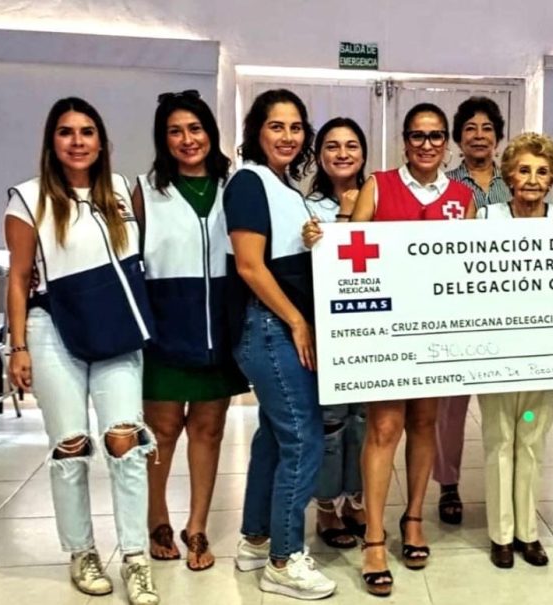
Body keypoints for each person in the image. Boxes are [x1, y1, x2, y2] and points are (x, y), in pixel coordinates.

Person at [5, 97, 159, 604]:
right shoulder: (27, 200)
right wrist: (18, 346)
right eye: (66, 132)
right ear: (52, 141)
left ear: (101, 141)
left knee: (125, 442)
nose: (77, 141)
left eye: (87, 131)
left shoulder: (119, 190)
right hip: (53, 329)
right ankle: (82, 552)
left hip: (114, 331)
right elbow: (20, 278)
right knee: (70, 445)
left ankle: (135, 558)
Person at [350, 102, 476, 596]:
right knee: (384, 426)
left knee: (425, 423)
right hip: (386, 331)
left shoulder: (463, 196)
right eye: (418, 135)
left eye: (436, 136)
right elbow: (350, 249)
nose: (427, 144)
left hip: (436, 331)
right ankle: (375, 537)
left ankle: (414, 518)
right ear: (404, 140)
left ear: (447, 143)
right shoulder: (378, 186)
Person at [225, 89, 335, 599]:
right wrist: (295, 321)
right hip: (269, 328)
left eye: (295, 127)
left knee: (272, 438)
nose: (288, 136)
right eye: (277, 126)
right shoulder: (248, 181)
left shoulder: (287, 189)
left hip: (279, 326)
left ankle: (255, 539)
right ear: (256, 130)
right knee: (303, 439)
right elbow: (249, 265)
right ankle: (284, 559)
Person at [134, 90, 249, 571]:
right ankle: (157, 517)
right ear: (164, 139)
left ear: (211, 132)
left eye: (195, 128)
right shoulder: (145, 190)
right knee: (161, 431)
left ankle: (197, 525)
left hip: (220, 328)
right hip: (165, 327)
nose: (187, 139)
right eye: (175, 131)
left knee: (209, 428)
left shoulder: (235, 185)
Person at [475, 132, 553, 569]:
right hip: (498, 354)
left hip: (546, 355)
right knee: (499, 439)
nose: (532, 179)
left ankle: (527, 533)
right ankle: (500, 534)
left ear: (552, 178)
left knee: (530, 437)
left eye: (541, 171)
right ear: (509, 174)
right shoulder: (486, 218)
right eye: (524, 170)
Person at [435, 96, 510, 525]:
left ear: (498, 137)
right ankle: (447, 483)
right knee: (450, 405)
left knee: (503, 404)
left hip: (504, 309)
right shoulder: (445, 186)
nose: (479, 135)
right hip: (457, 307)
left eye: (487, 128)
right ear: (457, 139)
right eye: (470, 128)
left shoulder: (515, 182)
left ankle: (505, 480)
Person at [301, 117, 370, 548]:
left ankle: (357, 501)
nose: (342, 153)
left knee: (364, 418)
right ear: (319, 155)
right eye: (331, 146)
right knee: (331, 421)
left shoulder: (378, 197)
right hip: (326, 327)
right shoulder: (305, 206)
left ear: (363, 152)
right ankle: (326, 506)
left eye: (350, 145)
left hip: (370, 327)